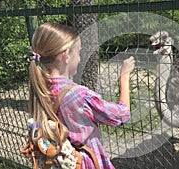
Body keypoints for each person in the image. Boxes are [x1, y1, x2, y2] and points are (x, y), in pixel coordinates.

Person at [29, 22, 135, 169]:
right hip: (85, 163)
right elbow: (121, 115)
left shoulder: (40, 86)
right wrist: (124, 76)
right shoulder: (79, 95)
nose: (79, 58)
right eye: (78, 52)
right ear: (65, 56)